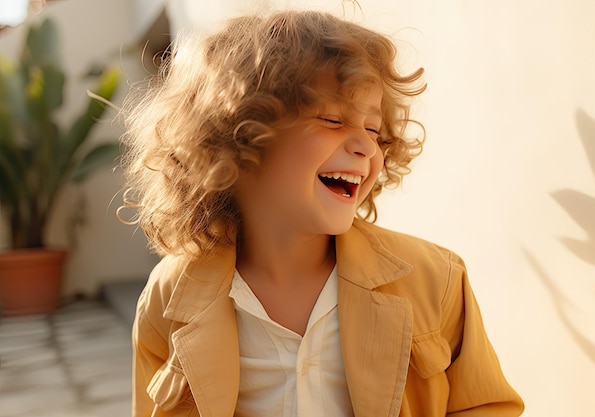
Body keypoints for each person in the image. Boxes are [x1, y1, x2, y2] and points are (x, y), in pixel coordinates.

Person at [119, 8, 524, 417]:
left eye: (374, 130)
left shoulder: (436, 280)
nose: (367, 147)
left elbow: (488, 406)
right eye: (332, 119)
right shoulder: (169, 297)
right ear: (237, 137)